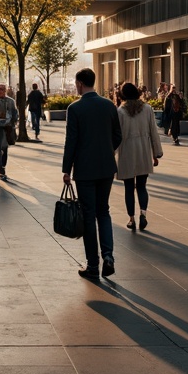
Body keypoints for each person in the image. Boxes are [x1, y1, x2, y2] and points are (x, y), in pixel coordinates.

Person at [62, 68, 123, 281]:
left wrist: (66, 169)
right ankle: (108, 256)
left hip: (85, 170)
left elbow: (72, 141)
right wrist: (107, 150)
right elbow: (118, 136)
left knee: (89, 215)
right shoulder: (109, 105)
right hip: (106, 167)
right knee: (103, 211)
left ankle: (92, 265)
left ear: (79, 83)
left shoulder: (75, 108)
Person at [116, 82, 162, 233]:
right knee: (142, 186)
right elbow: (153, 132)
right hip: (143, 150)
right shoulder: (147, 109)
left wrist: (111, 155)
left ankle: (131, 219)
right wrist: (156, 153)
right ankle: (143, 213)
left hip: (127, 152)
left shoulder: (121, 111)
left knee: (129, 188)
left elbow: (116, 137)